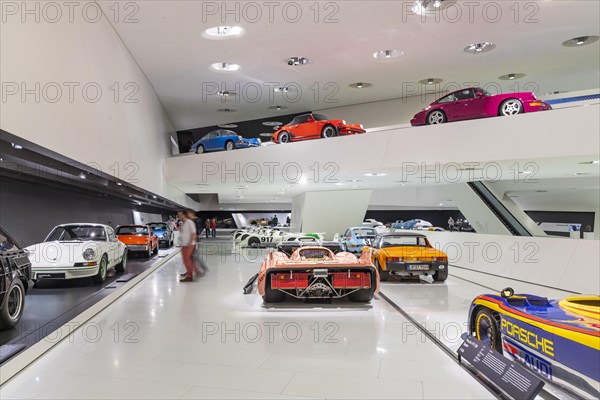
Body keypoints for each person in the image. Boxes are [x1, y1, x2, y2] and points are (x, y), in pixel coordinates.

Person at [178, 209, 202, 282]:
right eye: (178, 215)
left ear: (184, 214)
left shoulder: (189, 222)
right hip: (184, 244)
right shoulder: (184, 223)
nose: (179, 216)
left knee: (187, 260)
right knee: (187, 260)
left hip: (189, 245)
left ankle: (189, 276)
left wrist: (190, 243)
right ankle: (194, 272)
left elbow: (193, 233)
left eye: (180, 214)